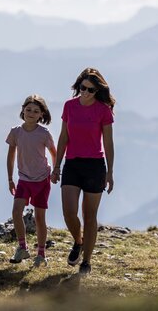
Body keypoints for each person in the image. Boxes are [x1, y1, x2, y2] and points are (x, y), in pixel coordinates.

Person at [51, 67, 115, 275]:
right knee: (69, 213)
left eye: (91, 90)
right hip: (72, 164)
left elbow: (108, 142)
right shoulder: (69, 106)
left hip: (95, 166)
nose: (85, 92)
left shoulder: (103, 110)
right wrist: (57, 165)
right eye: (83, 88)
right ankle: (78, 242)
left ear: (98, 91)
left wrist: (110, 172)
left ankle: (86, 261)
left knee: (90, 217)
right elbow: (63, 137)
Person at [6, 95, 57, 268]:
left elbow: (53, 152)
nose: (31, 113)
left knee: (39, 218)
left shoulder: (44, 133)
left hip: (42, 179)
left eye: (36, 111)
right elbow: (11, 155)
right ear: (22, 110)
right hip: (23, 179)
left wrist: (55, 171)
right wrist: (10, 179)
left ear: (41, 114)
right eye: (28, 110)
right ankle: (22, 247)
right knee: (16, 212)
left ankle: (41, 254)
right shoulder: (16, 132)